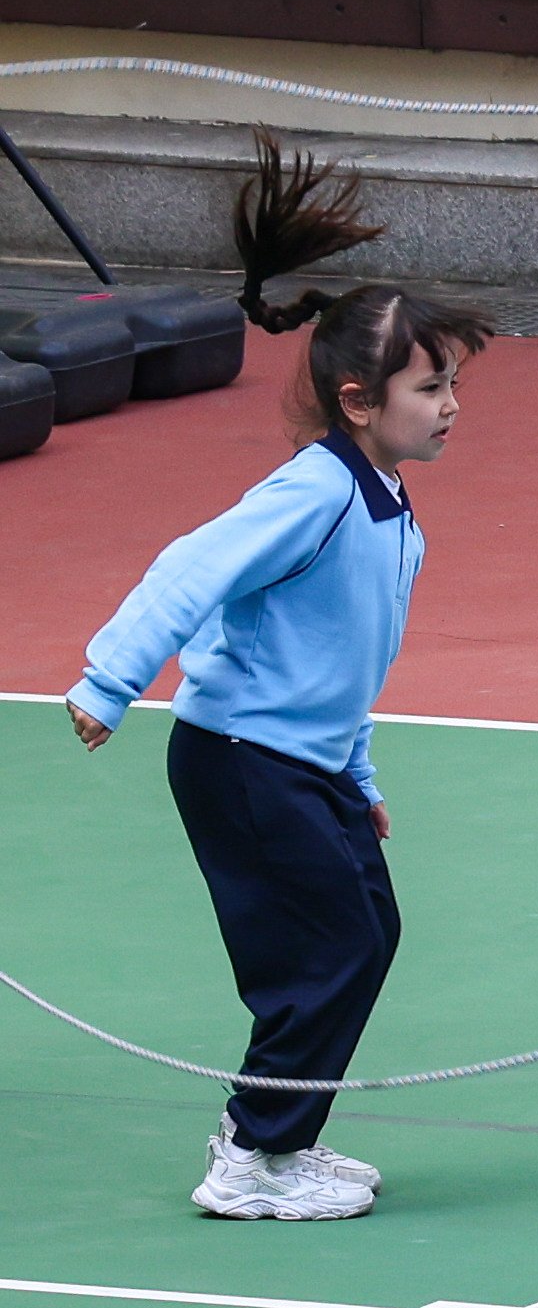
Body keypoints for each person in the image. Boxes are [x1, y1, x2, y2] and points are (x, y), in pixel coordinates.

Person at [66, 135, 492, 1221]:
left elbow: (340, 666)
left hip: (306, 759)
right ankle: (252, 1154)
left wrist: (360, 769)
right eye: (430, 385)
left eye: (453, 386)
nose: (450, 404)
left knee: (370, 931)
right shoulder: (315, 491)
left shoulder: (390, 510)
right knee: (328, 942)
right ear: (359, 400)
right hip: (239, 758)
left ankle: (280, 1133)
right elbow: (190, 567)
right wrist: (109, 680)